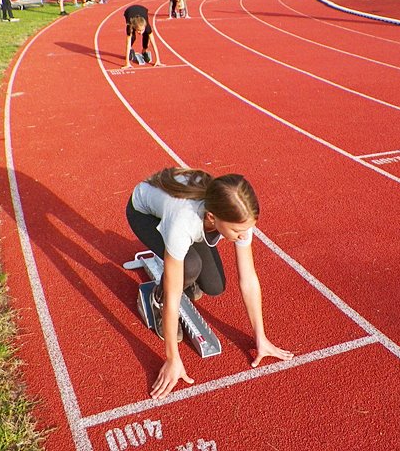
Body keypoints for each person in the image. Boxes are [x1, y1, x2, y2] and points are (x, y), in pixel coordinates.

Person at [126, 167, 294, 399]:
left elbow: (248, 278)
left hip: (190, 217)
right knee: (190, 265)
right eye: (237, 231)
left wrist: (261, 337)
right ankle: (155, 299)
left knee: (215, 286)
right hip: (143, 213)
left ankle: (187, 270)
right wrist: (173, 359)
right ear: (213, 218)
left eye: (246, 229)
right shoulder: (183, 222)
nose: (244, 235)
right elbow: (174, 296)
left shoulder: (240, 215)